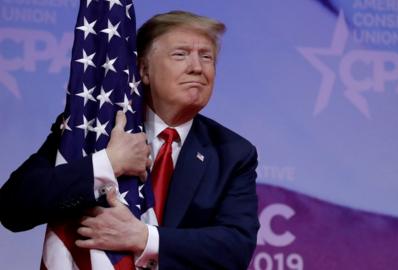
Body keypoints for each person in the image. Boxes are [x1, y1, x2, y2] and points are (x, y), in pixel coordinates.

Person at [0, 11, 259, 270]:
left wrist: (144, 238)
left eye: (207, 57)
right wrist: (105, 163)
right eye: (180, 54)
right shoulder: (92, 127)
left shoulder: (232, 152)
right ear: (143, 70)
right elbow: (14, 207)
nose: (198, 67)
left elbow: (235, 247)